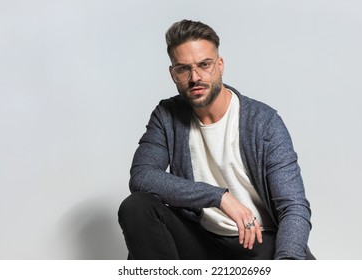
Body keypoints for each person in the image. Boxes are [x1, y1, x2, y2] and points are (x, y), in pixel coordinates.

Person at [118, 19, 314, 260]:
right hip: (202, 240)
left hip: (260, 241)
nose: (195, 77)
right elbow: (142, 176)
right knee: (137, 207)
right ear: (173, 74)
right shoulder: (167, 115)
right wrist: (218, 197)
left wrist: (288, 262)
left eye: (204, 65)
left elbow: (294, 207)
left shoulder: (264, 122)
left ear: (220, 65)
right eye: (183, 68)